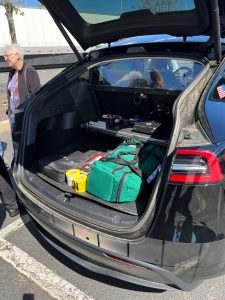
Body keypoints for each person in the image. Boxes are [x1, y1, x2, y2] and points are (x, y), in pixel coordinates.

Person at [4, 43, 41, 128]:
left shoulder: (30, 72)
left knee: (24, 141)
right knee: (16, 141)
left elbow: (37, 97)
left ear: (17, 55)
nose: (5, 59)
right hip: (13, 117)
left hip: (25, 118)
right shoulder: (12, 73)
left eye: (7, 56)